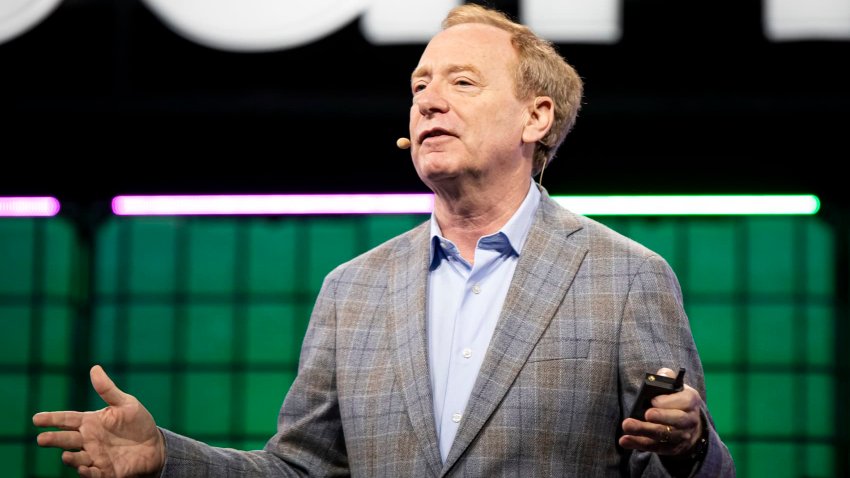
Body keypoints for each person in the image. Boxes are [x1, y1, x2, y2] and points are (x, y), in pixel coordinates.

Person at [34, 4, 735, 477]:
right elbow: (299, 469)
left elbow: (693, 469)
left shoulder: (624, 277)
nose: (429, 100)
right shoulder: (353, 290)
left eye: (462, 82)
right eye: (420, 85)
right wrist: (170, 457)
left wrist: (691, 445)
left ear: (536, 117)